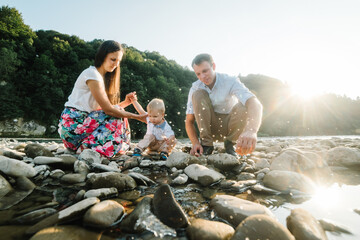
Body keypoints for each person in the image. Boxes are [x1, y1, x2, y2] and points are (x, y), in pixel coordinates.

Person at [58, 40, 147, 158]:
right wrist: (138, 117)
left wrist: (126, 103)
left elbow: (103, 111)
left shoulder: (98, 77)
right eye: (113, 59)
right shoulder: (92, 74)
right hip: (73, 125)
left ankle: (87, 146)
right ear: (103, 56)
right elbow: (108, 110)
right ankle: (90, 147)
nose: (115, 64)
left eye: (118, 61)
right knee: (118, 115)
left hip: (78, 126)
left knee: (118, 112)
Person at [185, 53, 263, 157]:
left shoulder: (230, 81)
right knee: (198, 94)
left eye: (205, 71)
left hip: (230, 126)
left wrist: (251, 130)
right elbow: (189, 121)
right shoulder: (195, 87)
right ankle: (207, 145)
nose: (202, 76)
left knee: (244, 104)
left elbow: (255, 103)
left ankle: (230, 144)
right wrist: (195, 143)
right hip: (209, 127)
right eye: (198, 74)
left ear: (213, 66)